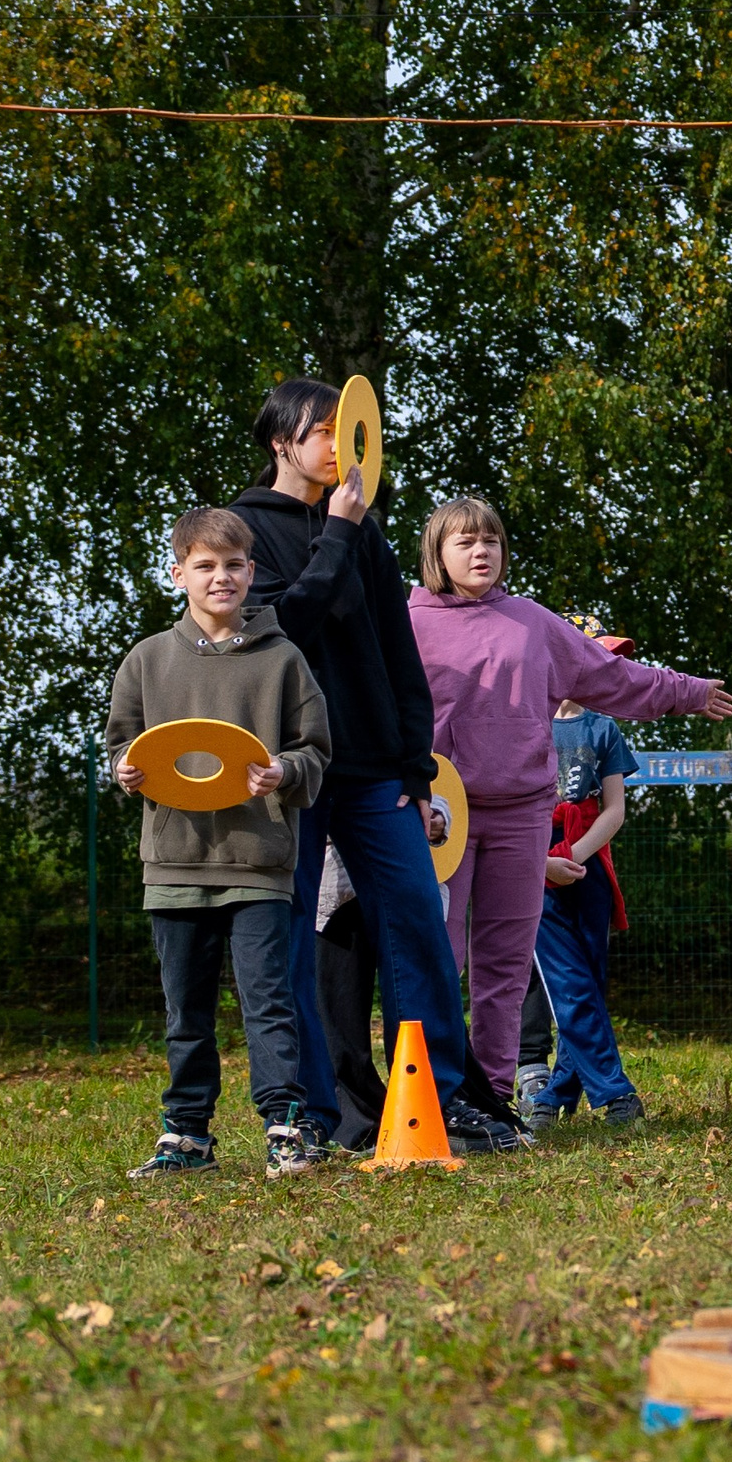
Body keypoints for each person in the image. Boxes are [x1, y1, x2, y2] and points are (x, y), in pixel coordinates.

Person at [231, 380, 518, 1155]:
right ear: (280, 442)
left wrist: (415, 773)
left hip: (373, 773)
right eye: (321, 431)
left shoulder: (370, 533)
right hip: (287, 772)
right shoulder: (243, 531)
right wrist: (337, 534)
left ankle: (441, 1101)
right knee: (291, 938)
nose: (339, 444)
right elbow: (282, 629)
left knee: (418, 925)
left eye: (345, 429)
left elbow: (399, 660)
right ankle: (308, 1117)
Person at [409, 497, 732, 1100]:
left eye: (492, 541)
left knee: (505, 967)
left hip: (522, 812)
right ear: (437, 552)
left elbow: (612, 676)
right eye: (466, 542)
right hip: (440, 814)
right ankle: (435, 1098)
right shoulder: (407, 621)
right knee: (436, 959)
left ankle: (492, 1100)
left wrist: (686, 691)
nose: (482, 551)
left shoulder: (532, 621)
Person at [108, 508, 332, 1179]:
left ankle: (284, 1127)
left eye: (233, 564)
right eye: (204, 566)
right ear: (178, 574)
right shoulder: (147, 659)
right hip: (172, 863)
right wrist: (123, 770)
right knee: (187, 1011)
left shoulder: (285, 659)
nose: (220, 577)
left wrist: (285, 771)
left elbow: (316, 751)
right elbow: (124, 746)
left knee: (268, 1004)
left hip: (259, 864)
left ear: (252, 572)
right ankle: (187, 1135)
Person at [519, 616, 654, 1125]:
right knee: (569, 983)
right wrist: (543, 863)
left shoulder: (604, 727)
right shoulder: (524, 718)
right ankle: (616, 1094)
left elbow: (615, 809)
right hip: (533, 862)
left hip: (587, 862)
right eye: (598, 656)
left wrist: (574, 857)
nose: (608, 667)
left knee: (589, 982)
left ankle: (554, 1099)